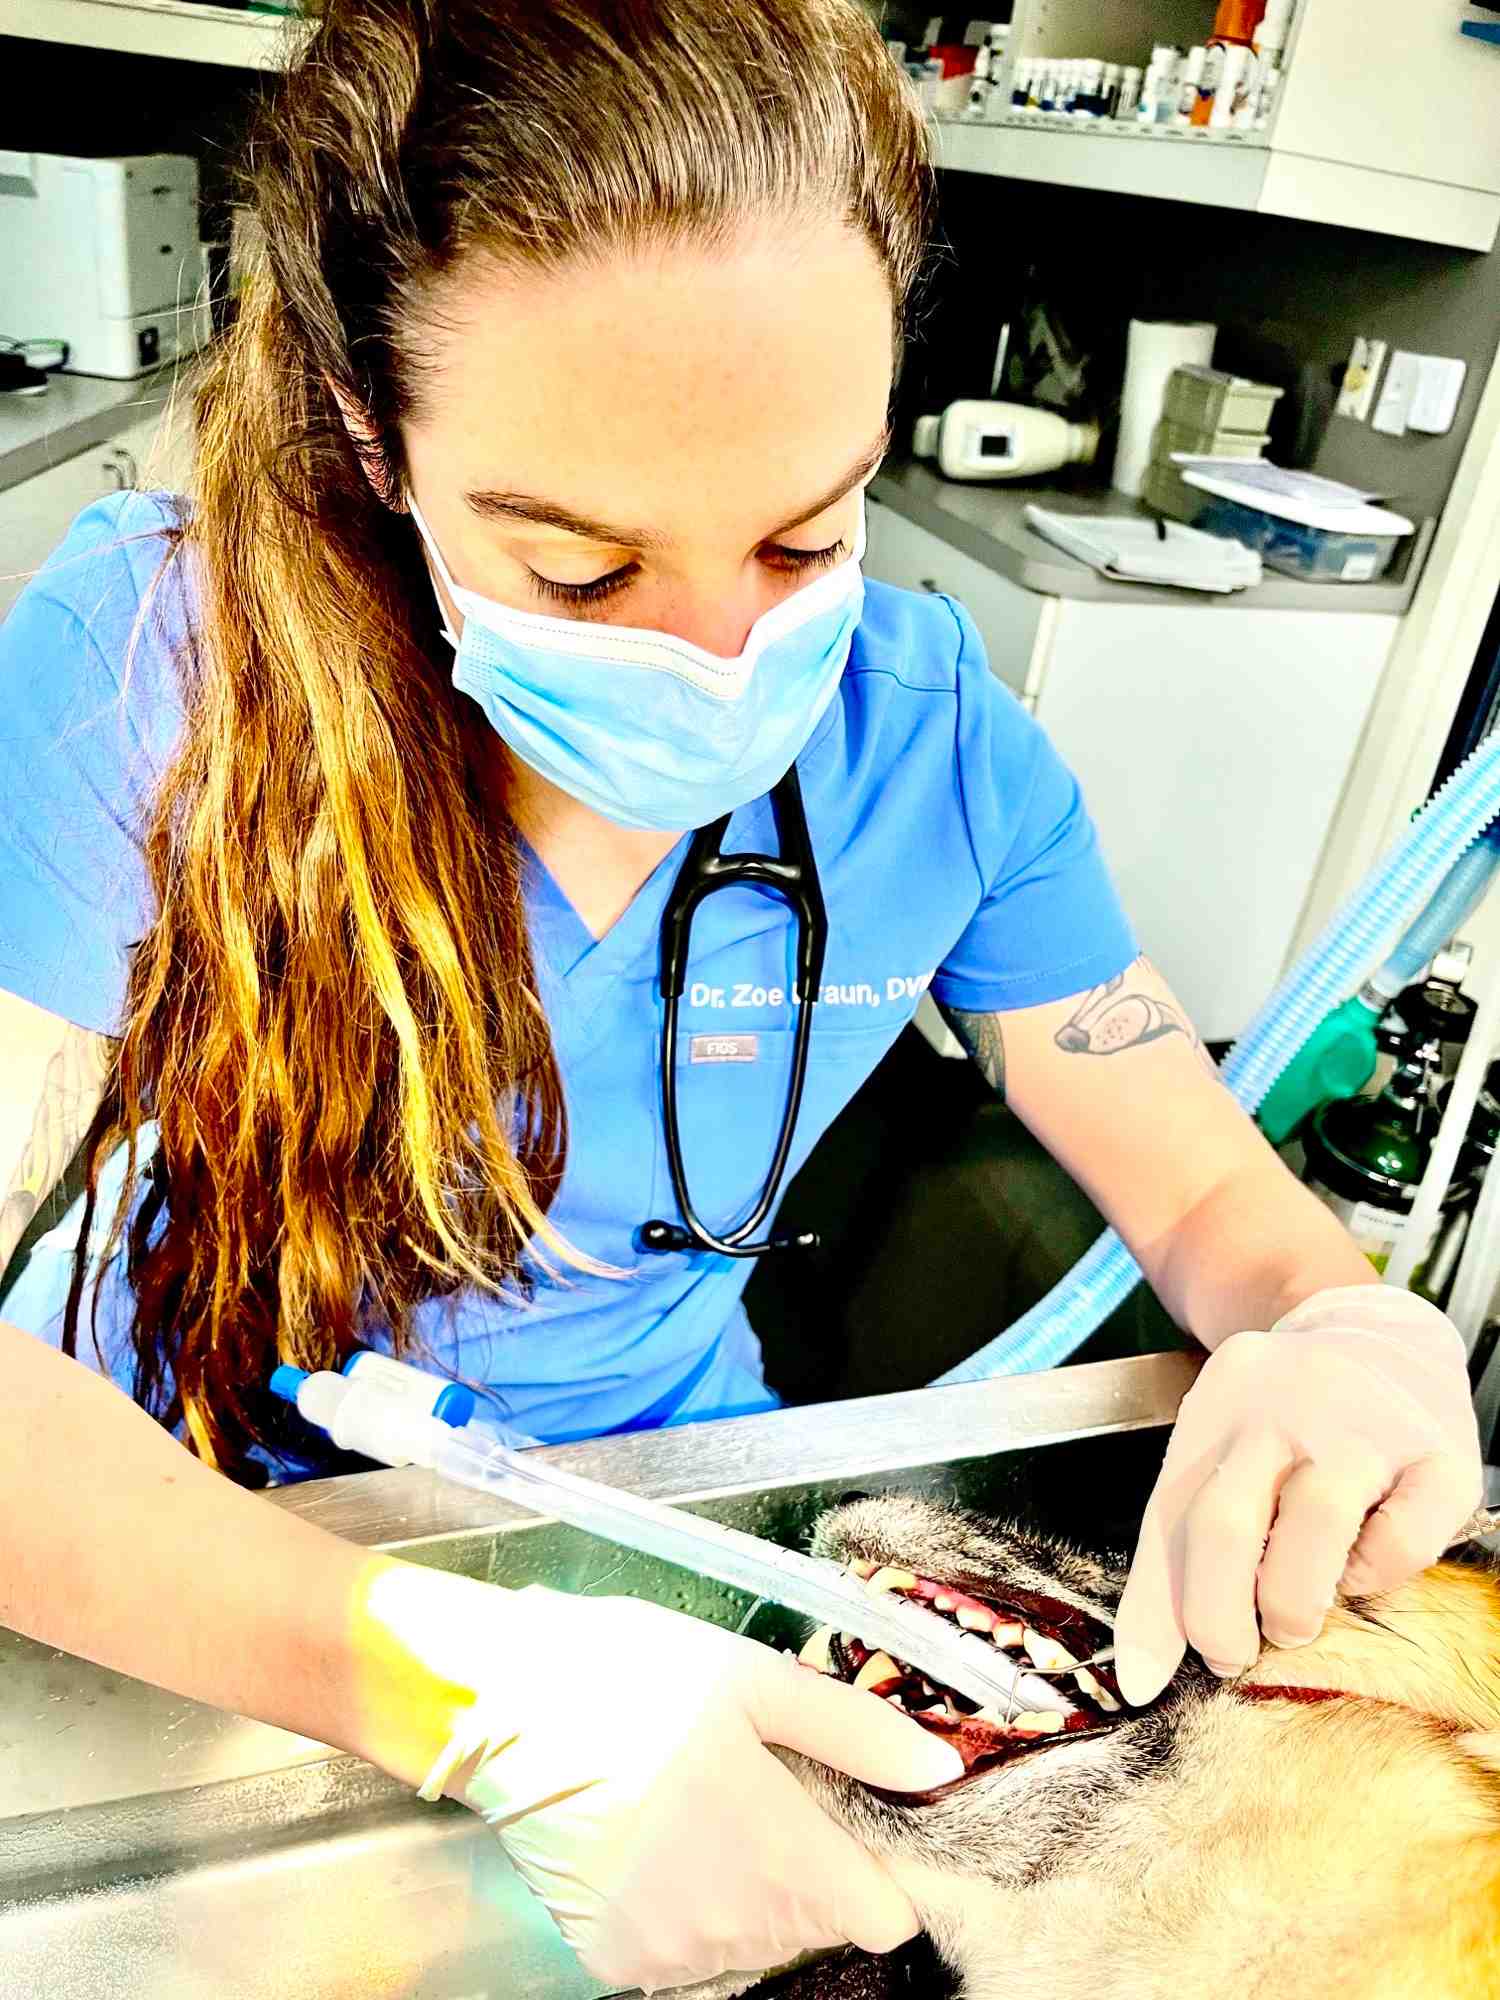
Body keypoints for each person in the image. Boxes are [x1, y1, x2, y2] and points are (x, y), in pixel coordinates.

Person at [0, 0, 1481, 1989]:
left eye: (807, 531)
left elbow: (1210, 1197)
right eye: (586, 571)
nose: (722, 653)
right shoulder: (152, 671)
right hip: (191, 1524)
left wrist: (1335, 1323)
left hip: (676, 1528)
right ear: (376, 439)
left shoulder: (933, 755)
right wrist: (454, 1687)